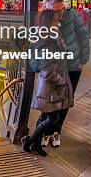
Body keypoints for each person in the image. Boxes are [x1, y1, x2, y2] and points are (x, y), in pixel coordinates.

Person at [33, 0, 89, 148]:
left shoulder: (71, 15)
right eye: (55, 11)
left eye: (61, 9)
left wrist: (82, 60)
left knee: (64, 103)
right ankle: (45, 131)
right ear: (47, 9)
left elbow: (83, 36)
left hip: (73, 66)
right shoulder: (44, 21)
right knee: (49, 103)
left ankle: (56, 131)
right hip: (55, 69)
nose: (60, 14)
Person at [22, 8, 74, 157]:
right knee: (52, 118)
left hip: (55, 80)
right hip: (52, 83)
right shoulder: (46, 39)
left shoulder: (53, 35)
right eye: (56, 19)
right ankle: (30, 140)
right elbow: (47, 65)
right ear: (49, 21)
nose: (58, 20)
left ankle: (35, 144)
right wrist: (59, 81)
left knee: (47, 116)